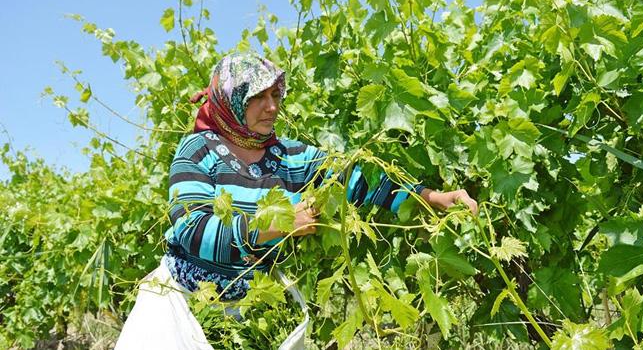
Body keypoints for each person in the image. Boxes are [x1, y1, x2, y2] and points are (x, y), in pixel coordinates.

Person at [115, 53, 478, 349]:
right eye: (258, 97)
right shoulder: (197, 151)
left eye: (275, 95)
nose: (271, 107)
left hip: (259, 306)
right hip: (188, 303)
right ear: (231, 101)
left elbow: (359, 180)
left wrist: (430, 197)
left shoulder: (289, 157)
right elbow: (193, 229)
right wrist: (280, 223)